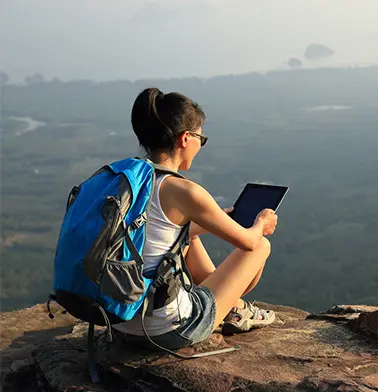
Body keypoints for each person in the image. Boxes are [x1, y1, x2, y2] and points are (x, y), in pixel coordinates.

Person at [111, 87, 278, 350]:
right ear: (186, 138)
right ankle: (233, 309)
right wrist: (261, 223)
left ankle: (232, 307)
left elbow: (155, 231)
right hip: (167, 330)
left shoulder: (127, 181)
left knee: (186, 234)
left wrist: (211, 220)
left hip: (118, 321)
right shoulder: (184, 191)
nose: (201, 144)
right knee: (260, 245)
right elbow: (248, 242)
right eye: (202, 137)